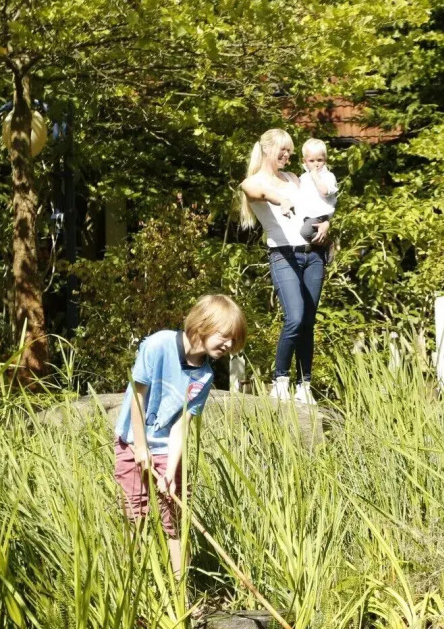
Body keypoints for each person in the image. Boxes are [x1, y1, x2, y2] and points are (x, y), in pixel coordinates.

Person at [115, 294, 245, 576]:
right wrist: (140, 447)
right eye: (225, 336)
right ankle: (130, 582)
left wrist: (170, 472)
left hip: (167, 450)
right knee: (135, 513)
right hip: (131, 442)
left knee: (174, 516)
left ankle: (179, 588)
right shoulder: (159, 344)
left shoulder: (204, 376)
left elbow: (180, 425)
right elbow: (138, 398)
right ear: (203, 324)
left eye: (233, 341)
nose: (229, 345)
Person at [238, 128, 329, 404]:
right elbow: (257, 191)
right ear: (268, 149)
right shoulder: (253, 182)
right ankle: (280, 380)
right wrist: (281, 199)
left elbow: (316, 205)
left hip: (312, 254)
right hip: (283, 255)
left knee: (309, 322)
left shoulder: (293, 178)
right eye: (283, 150)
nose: (288, 155)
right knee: (295, 318)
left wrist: (325, 222)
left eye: (290, 151)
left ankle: (304, 385)